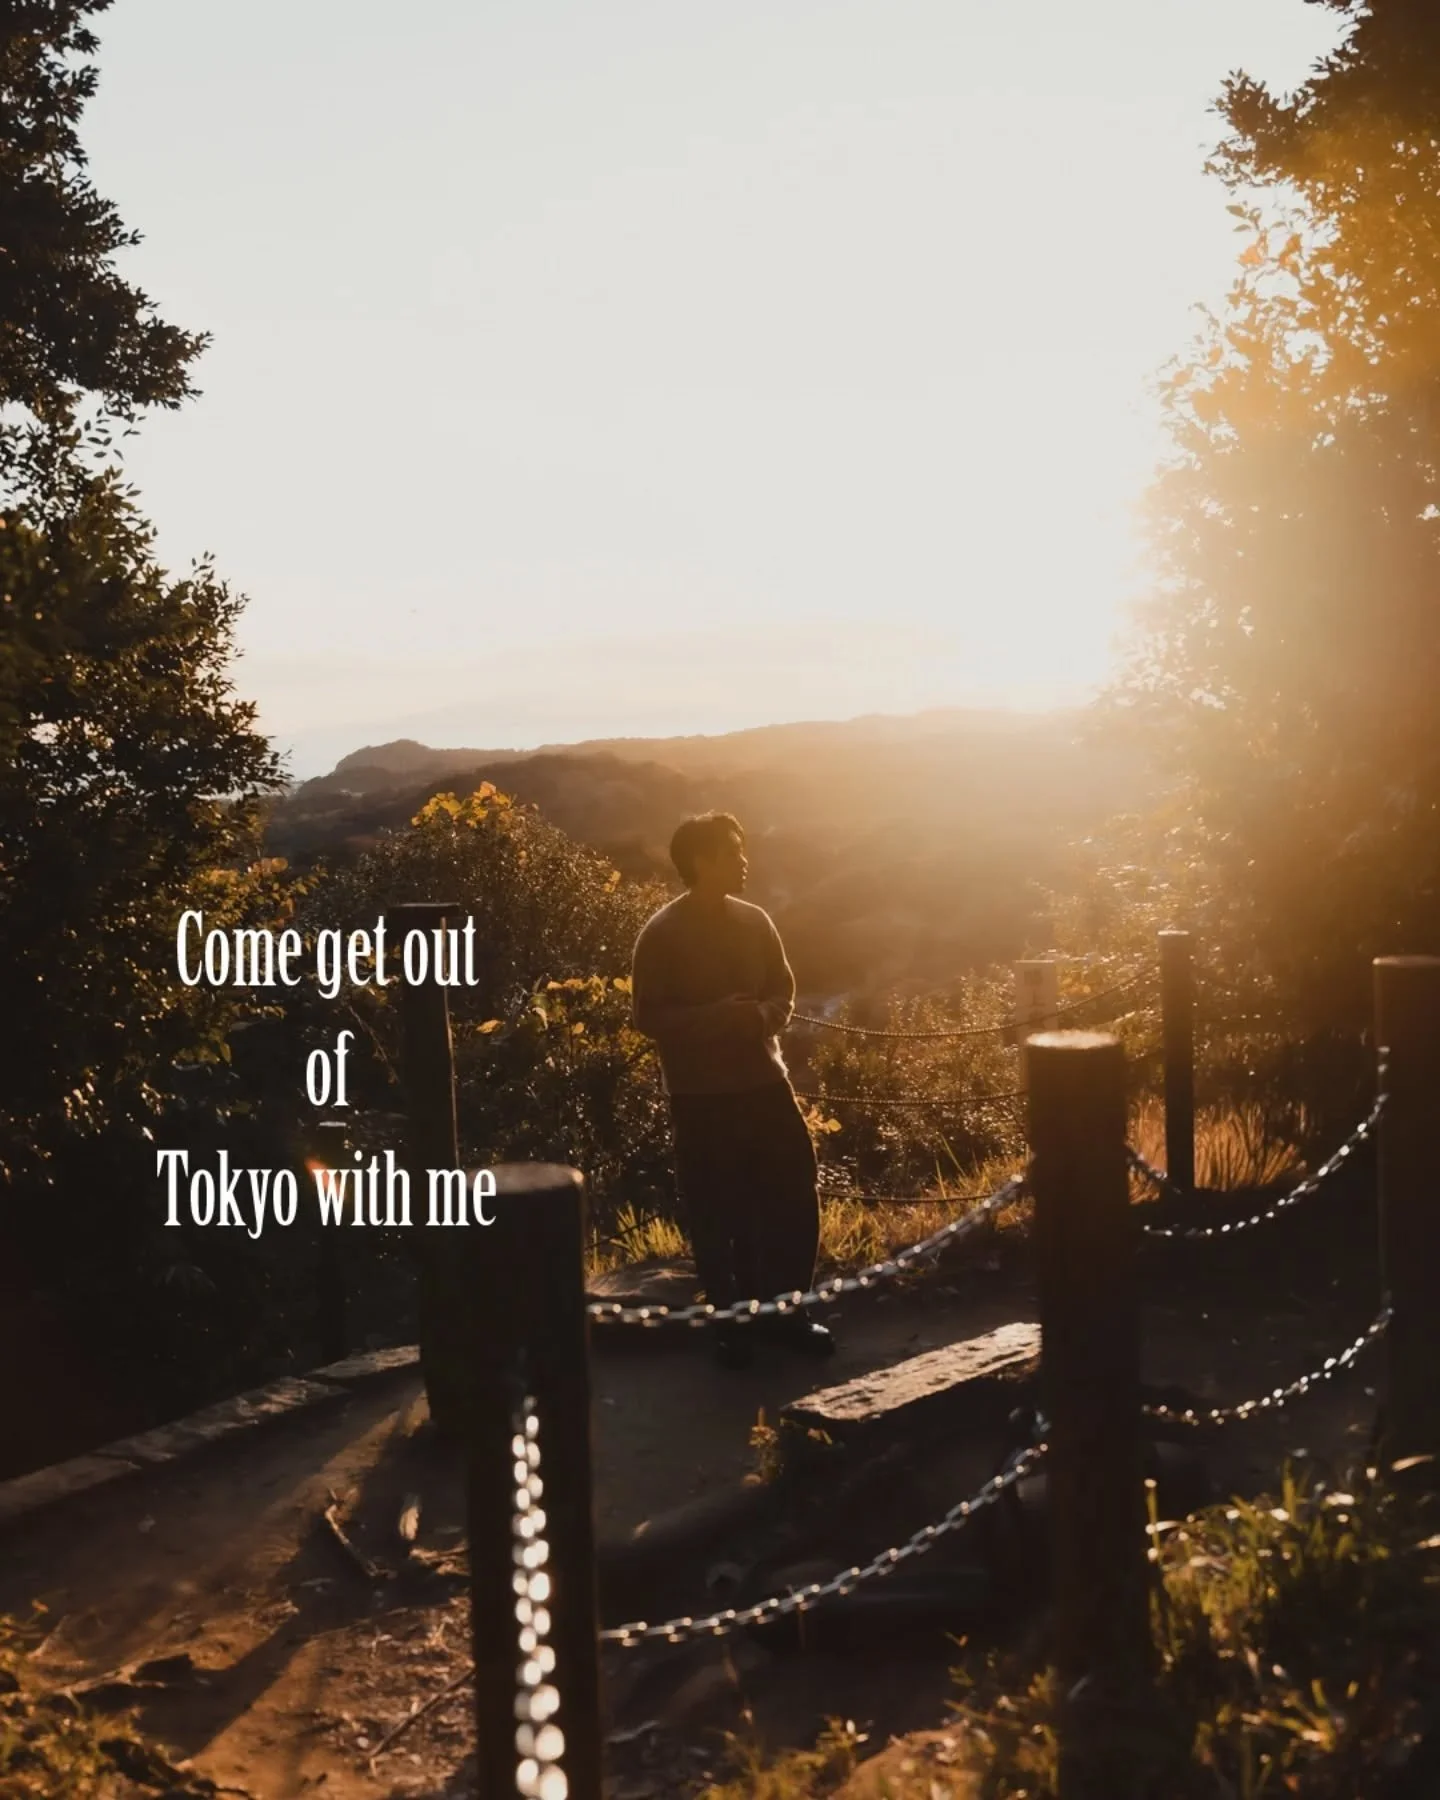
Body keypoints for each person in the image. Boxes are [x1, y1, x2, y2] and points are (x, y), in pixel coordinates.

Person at [630, 812, 834, 1369]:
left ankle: (790, 1312)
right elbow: (648, 1017)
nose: (744, 861)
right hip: (699, 1095)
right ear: (702, 861)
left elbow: (782, 991)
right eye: (733, 852)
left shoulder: (756, 921)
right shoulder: (662, 933)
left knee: (794, 1190)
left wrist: (763, 1019)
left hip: (766, 1082)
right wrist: (718, 1018)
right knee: (718, 1210)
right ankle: (731, 1325)